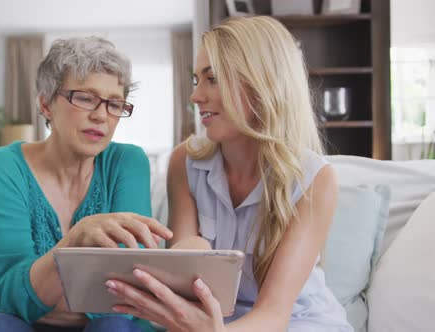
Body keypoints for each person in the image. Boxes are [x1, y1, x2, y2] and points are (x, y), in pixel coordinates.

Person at [103, 16, 354, 332]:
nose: (196, 97)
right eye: (196, 81)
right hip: (210, 320)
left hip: (295, 323)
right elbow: (184, 280)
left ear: (262, 82)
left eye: (213, 79)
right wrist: (183, 259)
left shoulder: (315, 179)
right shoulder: (185, 162)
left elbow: (274, 315)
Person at [0, 36, 172, 332]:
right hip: (26, 326)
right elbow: (10, 300)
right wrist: (76, 239)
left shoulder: (128, 162)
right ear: (46, 104)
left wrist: (36, 290)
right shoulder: (3, 167)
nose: (101, 115)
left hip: (111, 323)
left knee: (113, 327)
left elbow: (128, 291)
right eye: (85, 98)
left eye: (114, 103)